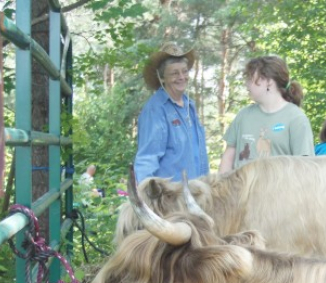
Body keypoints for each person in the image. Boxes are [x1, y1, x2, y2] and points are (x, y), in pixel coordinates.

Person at [219, 55, 314, 173]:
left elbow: (305, 167)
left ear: (268, 82)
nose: (246, 84)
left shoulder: (296, 118)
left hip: (280, 190)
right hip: (241, 191)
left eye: (250, 78)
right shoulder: (243, 115)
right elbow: (228, 157)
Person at [134, 42, 209, 183]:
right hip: (172, 198)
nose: (181, 77)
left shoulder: (190, 105)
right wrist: (146, 195)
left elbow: (198, 153)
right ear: (162, 77)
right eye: (174, 73)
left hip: (197, 193)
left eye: (185, 71)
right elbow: (147, 158)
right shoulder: (156, 110)